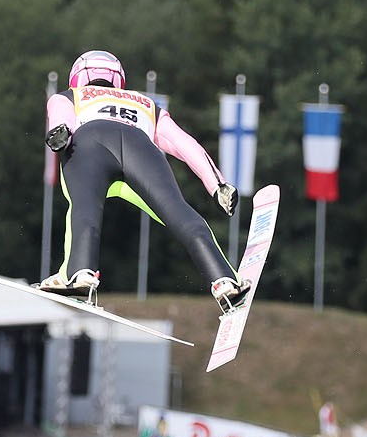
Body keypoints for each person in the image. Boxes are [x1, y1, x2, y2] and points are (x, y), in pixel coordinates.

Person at [39, 50, 247, 310]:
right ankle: (224, 280)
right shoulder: (146, 103)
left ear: (77, 78)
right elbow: (184, 143)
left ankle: (80, 273)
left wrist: (61, 132)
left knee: (84, 210)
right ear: (118, 80)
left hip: (89, 144)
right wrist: (217, 184)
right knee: (178, 212)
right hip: (141, 148)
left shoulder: (70, 95)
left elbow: (61, 118)